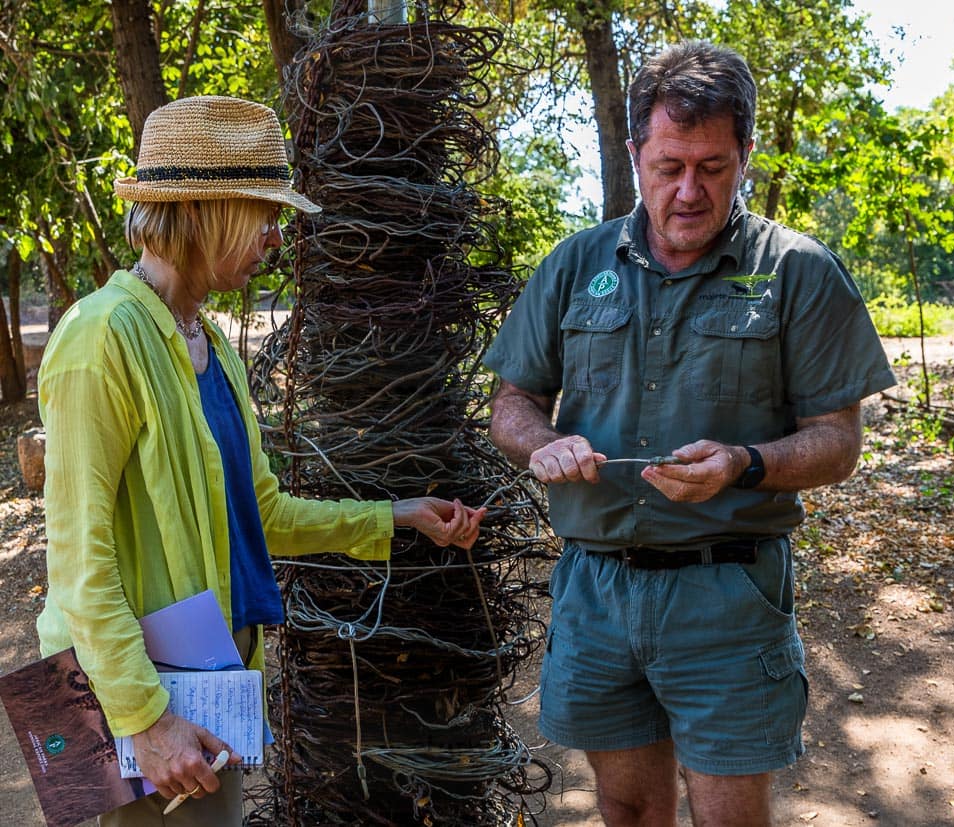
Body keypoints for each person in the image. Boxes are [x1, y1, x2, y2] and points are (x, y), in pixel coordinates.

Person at [35, 95, 487, 826]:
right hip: (142, 715)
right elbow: (80, 566)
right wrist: (147, 720)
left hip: (209, 693)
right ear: (207, 209)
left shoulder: (210, 348)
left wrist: (395, 517)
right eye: (266, 215)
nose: (276, 238)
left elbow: (259, 513)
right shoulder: (100, 338)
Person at [483, 42, 896, 826]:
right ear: (635, 153)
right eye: (669, 165)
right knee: (629, 809)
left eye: (712, 167)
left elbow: (838, 442)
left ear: (744, 155)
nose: (688, 190)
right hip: (595, 590)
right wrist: (542, 441)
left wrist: (744, 464)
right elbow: (511, 402)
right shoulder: (575, 263)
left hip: (728, 593)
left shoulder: (797, 271)